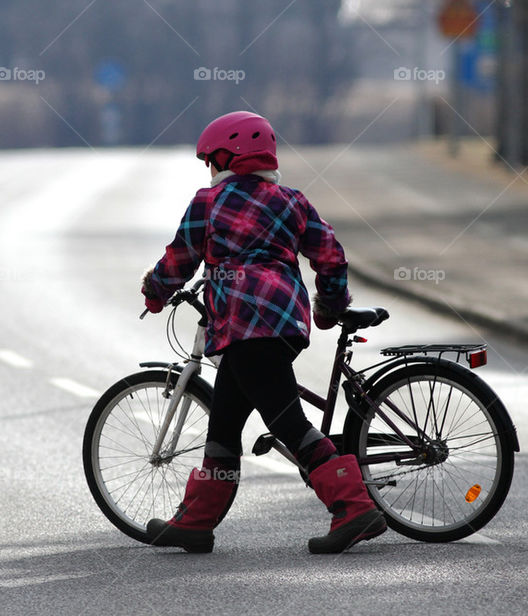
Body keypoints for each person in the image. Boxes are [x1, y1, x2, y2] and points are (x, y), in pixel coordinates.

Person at [139, 111, 386, 554]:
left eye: (210, 161)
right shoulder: (292, 201)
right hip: (282, 325)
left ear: (224, 158)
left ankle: (353, 506)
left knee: (289, 423)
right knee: (225, 424)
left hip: (245, 327)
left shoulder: (207, 204)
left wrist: (155, 291)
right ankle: (195, 522)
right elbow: (330, 255)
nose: (208, 171)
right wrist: (329, 307)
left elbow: (179, 259)